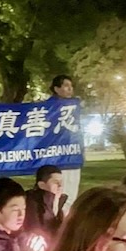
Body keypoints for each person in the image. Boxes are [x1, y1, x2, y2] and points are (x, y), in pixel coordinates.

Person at [50, 75, 82, 206]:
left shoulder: (74, 107)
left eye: (71, 86)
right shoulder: (49, 109)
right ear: (57, 89)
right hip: (57, 156)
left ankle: (67, 219)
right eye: (66, 86)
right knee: (58, 189)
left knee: (72, 189)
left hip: (73, 154)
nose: (70, 89)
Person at [24, 164, 68, 239]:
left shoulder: (58, 202)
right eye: (55, 182)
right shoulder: (33, 204)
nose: (60, 186)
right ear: (42, 185)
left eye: (61, 182)